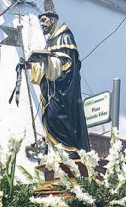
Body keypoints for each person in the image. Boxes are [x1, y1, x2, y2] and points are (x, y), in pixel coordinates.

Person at [32, 4, 90, 152]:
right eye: (41, 21)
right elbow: (45, 67)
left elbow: (68, 64)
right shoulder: (50, 41)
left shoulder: (65, 36)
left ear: (52, 20)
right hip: (52, 92)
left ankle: (69, 150)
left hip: (64, 92)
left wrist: (48, 61)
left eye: (44, 20)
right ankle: (59, 151)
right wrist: (31, 65)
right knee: (51, 119)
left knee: (58, 118)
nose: (42, 24)